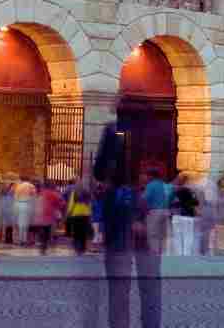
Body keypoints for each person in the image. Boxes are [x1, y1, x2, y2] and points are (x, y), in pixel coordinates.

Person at [92, 114, 161, 328]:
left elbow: (100, 171)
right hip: (140, 235)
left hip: (122, 234)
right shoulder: (150, 135)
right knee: (147, 288)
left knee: (120, 291)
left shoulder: (114, 135)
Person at [141, 169, 169, 256]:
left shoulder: (151, 185)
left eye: (146, 175)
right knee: (162, 235)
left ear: (151, 176)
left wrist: (144, 211)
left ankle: (154, 254)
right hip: (165, 212)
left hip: (155, 211)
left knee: (153, 234)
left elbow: (144, 199)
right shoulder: (164, 185)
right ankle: (162, 253)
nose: (145, 177)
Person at [170, 173, 198, 256]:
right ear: (187, 181)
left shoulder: (174, 190)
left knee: (177, 237)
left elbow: (170, 202)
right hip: (187, 215)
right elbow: (195, 202)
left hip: (176, 216)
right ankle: (186, 256)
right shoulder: (190, 191)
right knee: (188, 236)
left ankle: (179, 256)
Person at [36, 181, 64, 255]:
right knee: (47, 231)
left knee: (43, 231)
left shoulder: (41, 193)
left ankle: (42, 245)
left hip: (41, 215)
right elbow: (60, 203)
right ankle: (44, 246)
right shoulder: (53, 194)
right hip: (49, 216)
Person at [65, 179, 93, 255]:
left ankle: (77, 248)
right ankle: (83, 248)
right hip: (85, 214)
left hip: (76, 214)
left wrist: (68, 213)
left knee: (76, 232)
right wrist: (90, 213)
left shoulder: (74, 193)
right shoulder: (87, 193)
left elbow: (71, 204)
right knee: (83, 232)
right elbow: (90, 204)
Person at [13, 177, 37, 246]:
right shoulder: (31, 186)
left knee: (20, 223)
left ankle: (20, 239)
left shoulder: (18, 186)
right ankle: (24, 240)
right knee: (25, 224)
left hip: (18, 205)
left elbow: (15, 198)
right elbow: (34, 196)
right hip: (27, 205)